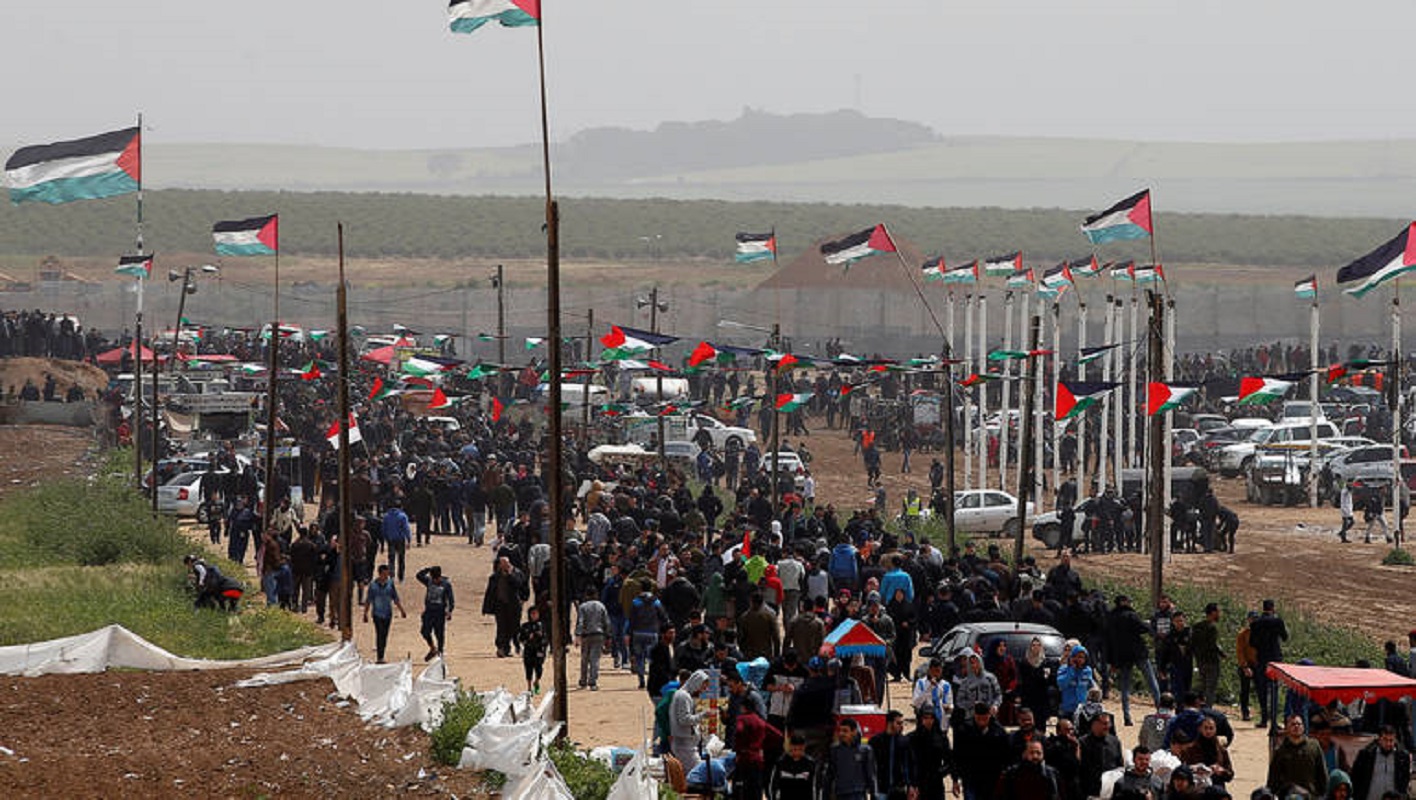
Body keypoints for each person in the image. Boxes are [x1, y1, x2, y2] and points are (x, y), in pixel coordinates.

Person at [953, 702, 1010, 800]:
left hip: (991, 778)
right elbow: (957, 755)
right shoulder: (964, 730)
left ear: (989, 715)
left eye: (984, 718)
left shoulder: (999, 732)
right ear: (975, 715)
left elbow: (1005, 756)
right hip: (970, 777)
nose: (982, 722)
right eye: (979, 718)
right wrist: (955, 778)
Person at [1267, 714, 1329, 797]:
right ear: (1287, 728)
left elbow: (1322, 772)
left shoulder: (1314, 746)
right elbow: (1273, 778)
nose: (1296, 726)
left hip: (1311, 796)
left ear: (1303, 727)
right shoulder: (1280, 751)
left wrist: (1322, 794)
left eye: (1299, 724)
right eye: (1293, 724)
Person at [1249, 599, 1289, 728]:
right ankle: (1274, 721)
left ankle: (1263, 719)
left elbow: (1252, 643)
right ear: (1273, 608)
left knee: (1262, 689)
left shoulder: (1255, 623)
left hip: (1261, 659)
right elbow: (1285, 637)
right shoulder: (1277, 621)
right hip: (1275, 659)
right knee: (1274, 689)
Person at [483, 556, 527, 659]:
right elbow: (490, 592)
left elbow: (519, 584)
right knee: (501, 627)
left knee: (514, 627)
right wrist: (486, 607)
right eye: (501, 564)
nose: (503, 566)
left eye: (505, 564)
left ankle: (516, 646)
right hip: (500, 605)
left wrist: (510, 575)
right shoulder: (495, 577)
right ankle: (502, 648)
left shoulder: (517, 573)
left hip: (514, 605)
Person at [1349, 724, 1409, 799]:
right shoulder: (1366, 755)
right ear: (1379, 739)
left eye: (1391, 740)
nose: (1388, 744)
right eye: (1385, 740)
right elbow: (1356, 777)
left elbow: (1404, 781)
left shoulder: (1403, 758)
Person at [1172, 715, 1234, 787]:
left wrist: (1222, 771)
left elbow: (1230, 774)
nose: (1208, 731)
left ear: (1215, 730)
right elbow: (1181, 771)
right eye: (1205, 728)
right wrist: (1194, 769)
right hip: (1197, 788)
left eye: (1211, 728)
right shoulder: (1191, 749)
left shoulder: (1221, 750)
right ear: (1200, 729)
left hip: (1217, 787)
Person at [362, 563, 406, 663]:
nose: (386, 576)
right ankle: (380, 657)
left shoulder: (390, 584)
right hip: (377, 614)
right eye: (384, 574)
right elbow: (368, 600)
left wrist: (402, 610)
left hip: (387, 614)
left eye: (387, 574)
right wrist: (365, 613)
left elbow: (395, 598)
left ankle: (381, 654)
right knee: (379, 634)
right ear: (379, 574)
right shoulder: (373, 586)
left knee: (384, 635)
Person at [824, 717, 876, 800]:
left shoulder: (865, 750)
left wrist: (873, 795)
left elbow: (870, 775)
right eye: (840, 730)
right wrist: (826, 795)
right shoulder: (835, 750)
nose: (841, 733)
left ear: (854, 732)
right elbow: (829, 775)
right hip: (840, 794)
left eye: (845, 731)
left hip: (858, 794)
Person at [908, 706, 953, 800]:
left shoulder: (941, 738)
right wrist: (911, 783)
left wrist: (939, 773)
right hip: (918, 784)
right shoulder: (912, 738)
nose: (928, 721)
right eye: (925, 718)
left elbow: (949, 760)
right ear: (921, 719)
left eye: (931, 718)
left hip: (936, 784)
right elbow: (907, 762)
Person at [868, 710, 914, 799]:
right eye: (898, 723)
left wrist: (910, 785)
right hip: (880, 789)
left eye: (902, 723)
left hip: (898, 789)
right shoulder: (876, 741)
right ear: (890, 723)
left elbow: (909, 764)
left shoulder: (905, 742)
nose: (901, 726)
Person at [670, 670, 710, 772]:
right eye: (702, 687)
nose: (703, 691)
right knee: (698, 772)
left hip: (687, 744)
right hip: (684, 745)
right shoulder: (683, 697)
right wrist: (702, 715)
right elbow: (684, 720)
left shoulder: (684, 695)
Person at [996, 738, 1063, 800]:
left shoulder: (1052, 774)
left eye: (1038, 753)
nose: (1035, 756)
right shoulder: (1011, 774)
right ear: (1024, 754)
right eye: (1031, 752)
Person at [1078, 712, 1124, 800]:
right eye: (1105, 724)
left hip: (1111, 791)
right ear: (1094, 725)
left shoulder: (1114, 742)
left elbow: (1119, 766)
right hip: (1090, 791)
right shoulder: (1083, 743)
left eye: (1109, 723)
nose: (1108, 726)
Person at [415, 565, 454, 661]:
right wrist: (428, 569)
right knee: (425, 632)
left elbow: (451, 600)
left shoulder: (446, 584)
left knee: (439, 634)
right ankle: (432, 648)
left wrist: (449, 611)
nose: (435, 581)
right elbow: (418, 576)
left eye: (436, 579)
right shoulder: (429, 581)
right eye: (433, 579)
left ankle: (440, 652)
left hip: (440, 613)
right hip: (429, 612)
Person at [574, 588, 610, 691]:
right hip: (599, 635)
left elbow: (580, 622)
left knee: (584, 659)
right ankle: (593, 681)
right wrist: (608, 635)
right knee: (595, 659)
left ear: (586, 595)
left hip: (586, 635)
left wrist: (578, 635)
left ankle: (583, 681)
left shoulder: (583, 607)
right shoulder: (601, 606)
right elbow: (606, 622)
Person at [1191, 603, 1224, 707]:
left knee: (1202, 686)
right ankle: (1208, 710)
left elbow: (1192, 644)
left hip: (1200, 661)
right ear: (1213, 613)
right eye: (1218, 611)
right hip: (1212, 662)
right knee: (1210, 688)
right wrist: (1222, 653)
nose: (1219, 614)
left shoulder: (1197, 626)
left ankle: (1197, 706)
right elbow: (1213, 645)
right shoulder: (1212, 628)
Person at [769, 733, 817, 800]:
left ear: (804, 747)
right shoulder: (781, 763)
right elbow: (774, 785)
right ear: (790, 747)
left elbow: (814, 786)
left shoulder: (810, 763)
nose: (797, 752)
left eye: (800, 749)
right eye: (794, 749)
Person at [517, 605, 548, 695]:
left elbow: (546, 638)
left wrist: (542, 645)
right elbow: (520, 638)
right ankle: (529, 687)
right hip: (528, 650)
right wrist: (528, 638)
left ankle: (537, 681)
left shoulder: (542, 625)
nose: (534, 615)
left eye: (536, 613)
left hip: (539, 650)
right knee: (528, 668)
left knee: (539, 668)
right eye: (532, 613)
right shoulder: (525, 626)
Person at [381, 500, 412, 582]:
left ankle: (391, 575)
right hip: (400, 539)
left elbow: (383, 529)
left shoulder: (386, 516)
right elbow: (406, 528)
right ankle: (401, 576)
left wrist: (385, 538)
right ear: (400, 507)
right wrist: (409, 539)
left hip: (390, 540)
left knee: (391, 558)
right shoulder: (403, 516)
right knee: (401, 558)